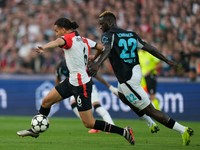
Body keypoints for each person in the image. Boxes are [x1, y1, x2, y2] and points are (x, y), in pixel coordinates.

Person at [16, 17, 135, 145]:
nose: (56, 34)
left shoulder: (68, 38)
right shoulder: (84, 40)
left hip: (81, 85)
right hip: (71, 81)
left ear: (63, 29)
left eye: (57, 31)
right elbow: (101, 47)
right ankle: (35, 130)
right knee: (46, 102)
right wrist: (93, 58)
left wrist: (44, 47)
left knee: (89, 123)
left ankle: (124, 132)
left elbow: (57, 42)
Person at [88, 11, 194, 146]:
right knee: (122, 95)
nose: (100, 27)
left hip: (127, 78)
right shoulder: (130, 34)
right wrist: (167, 60)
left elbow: (107, 49)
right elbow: (149, 48)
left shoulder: (108, 35)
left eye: (101, 24)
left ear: (109, 22)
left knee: (150, 110)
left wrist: (97, 64)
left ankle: (183, 130)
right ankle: (150, 123)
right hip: (135, 72)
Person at [55, 58, 117, 133]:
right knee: (73, 102)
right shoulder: (60, 67)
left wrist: (110, 87)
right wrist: (57, 94)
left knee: (96, 106)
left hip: (89, 86)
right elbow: (57, 78)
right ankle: (94, 125)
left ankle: (111, 125)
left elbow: (96, 75)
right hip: (75, 88)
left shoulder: (79, 64)